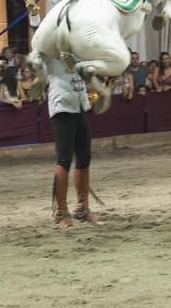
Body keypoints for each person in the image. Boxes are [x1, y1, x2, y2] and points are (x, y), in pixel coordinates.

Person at [46, 57, 102, 229]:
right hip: (62, 105)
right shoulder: (49, 44)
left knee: (84, 157)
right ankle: (61, 211)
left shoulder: (76, 43)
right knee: (64, 158)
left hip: (79, 103)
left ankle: (83, 208)